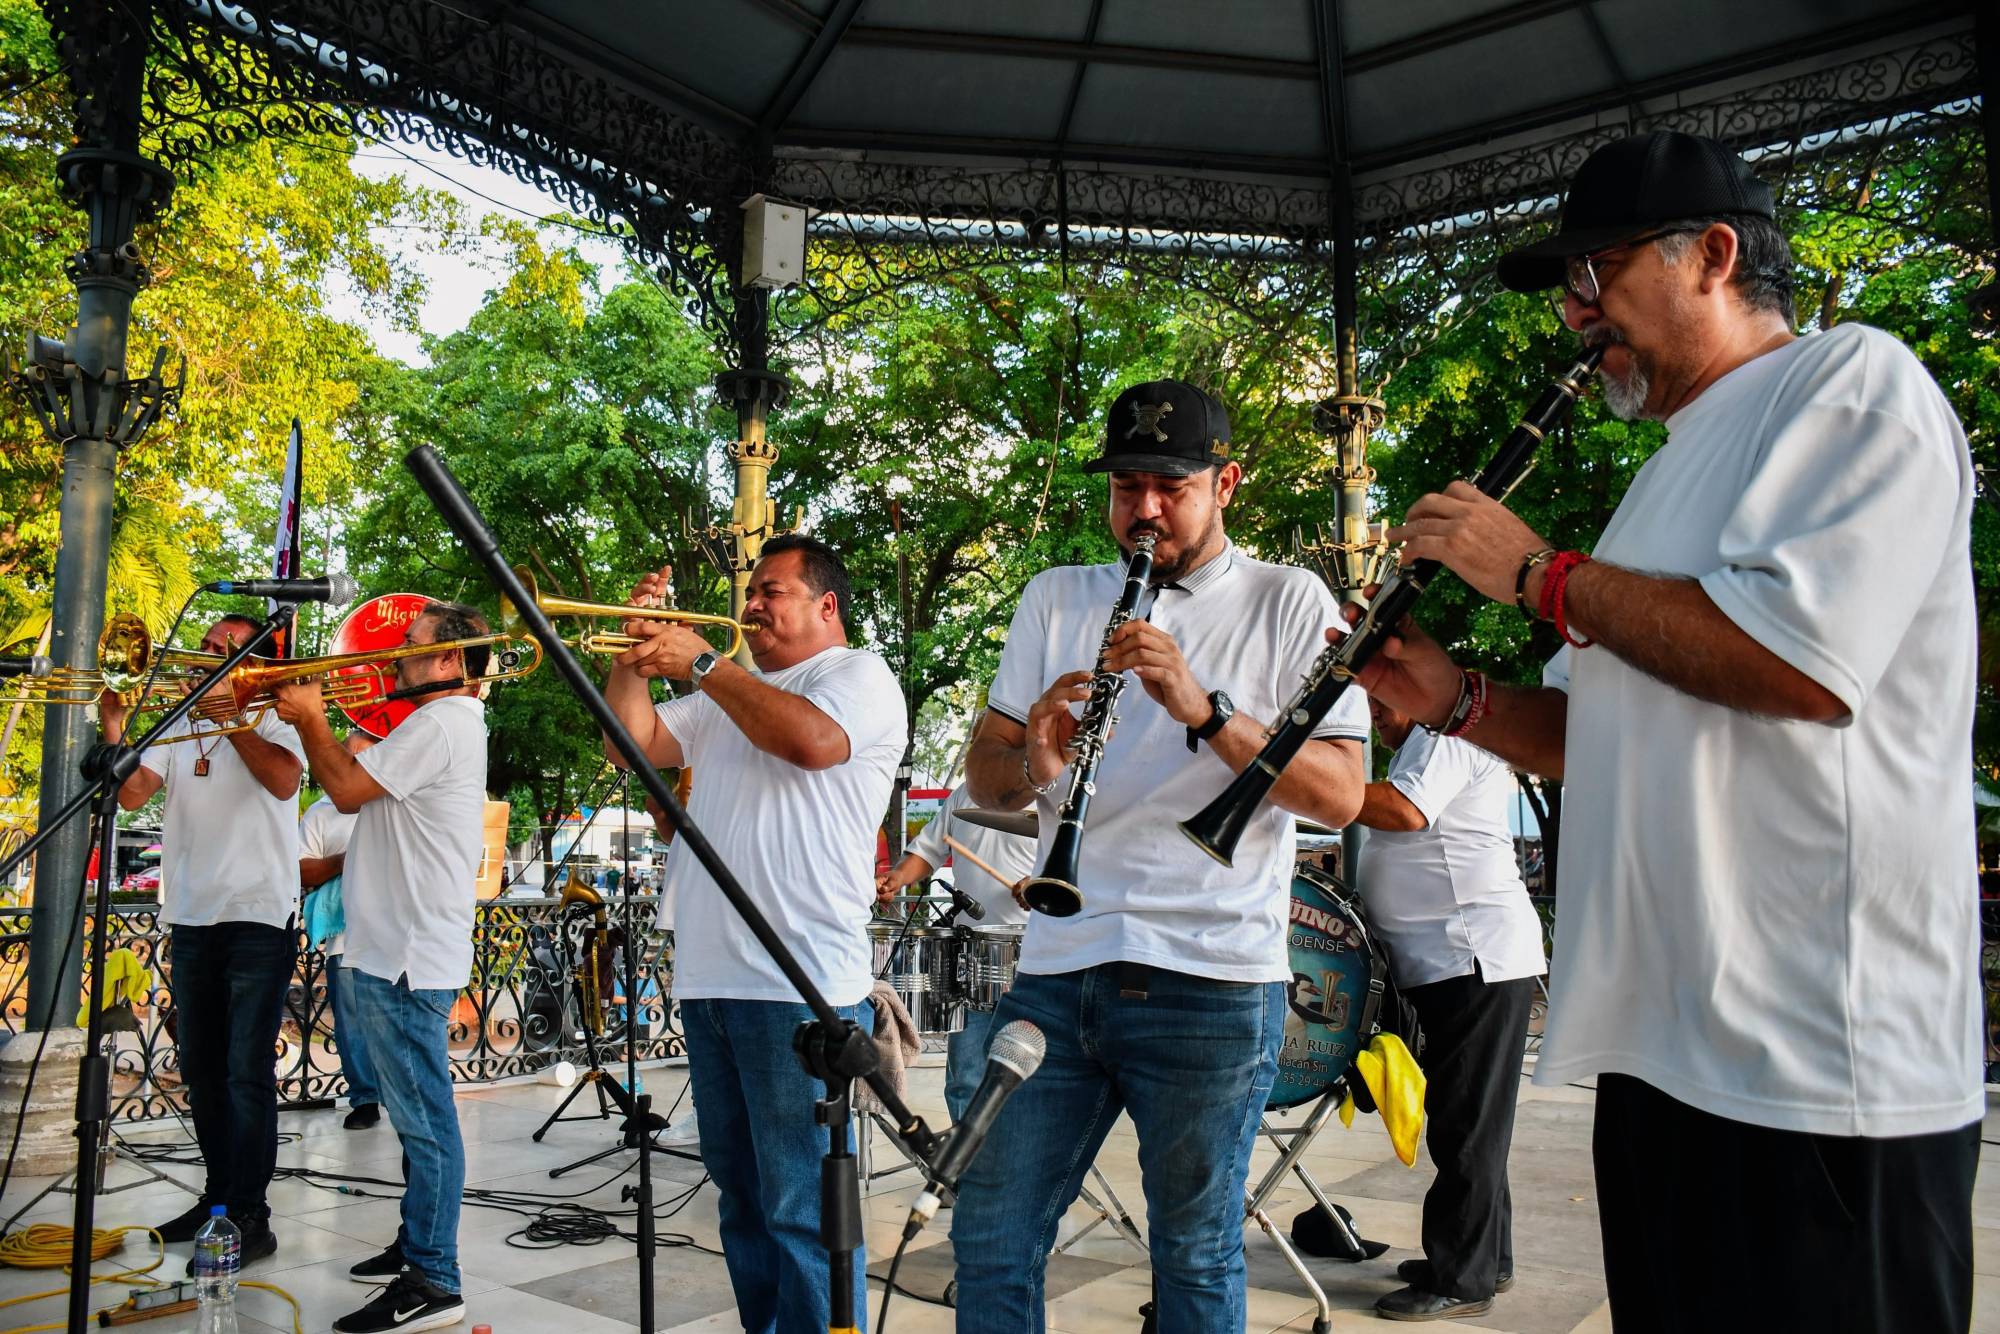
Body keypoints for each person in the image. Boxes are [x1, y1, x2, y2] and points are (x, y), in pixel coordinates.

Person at [1352, 131, 1980, 1331]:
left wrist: (1535, 573)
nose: (1574, 312)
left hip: (1821, 1073)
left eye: (1595, 273)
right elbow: (1594, 729)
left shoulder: (1850, 381)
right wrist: (1453, 698)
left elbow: (1800, 664)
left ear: (1712, 255)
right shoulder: (1660, 477)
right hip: (1664, 1057)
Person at [952, 381, 1369, 1329]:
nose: (1144, 509)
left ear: (1226, 483)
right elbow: (987, 775)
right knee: (992, 1233)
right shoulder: (1056, 596)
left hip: (1211, 976)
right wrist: (1034, 759)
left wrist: (1206, 711)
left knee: (1193, 1251)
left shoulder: (1289, 600)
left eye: (1169, 487)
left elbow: (1341, 794)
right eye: (1126, 486)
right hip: (1060, 965)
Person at [602, 534, 904, 1333]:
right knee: (741, 1198)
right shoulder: (728, 696)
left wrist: (703, 661)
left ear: (826, 604)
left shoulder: (857, 675)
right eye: (752, 591)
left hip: (796, 980)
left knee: (801, 1205)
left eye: (773, 590)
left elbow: (810, 742)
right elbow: (628, 744)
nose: (753, 605)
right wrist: (631, 659)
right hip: (713, 977)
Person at [273, 601, 491, 1333]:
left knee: (426, 1124)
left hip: (407, 957)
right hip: (391, 950)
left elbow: (343, 789)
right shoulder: (428, 723)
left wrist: (310, 718)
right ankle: (416, 1243)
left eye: (410, 644)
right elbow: (356, 781)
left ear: (449, 660)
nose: (394, 654)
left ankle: (435, 1279)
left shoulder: (445, 721)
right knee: (412, 1119)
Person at [100, 615, 305, 1268]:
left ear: (255, 665)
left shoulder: (278, 715)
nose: (202, 657)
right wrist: (113, 725)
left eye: (223, 651)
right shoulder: (178, 720)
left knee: (246, 1073)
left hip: (257, 916)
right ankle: (218, 1200)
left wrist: (233, 719)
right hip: (191, 915)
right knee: (203, 1071)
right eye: (205, 647)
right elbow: (133, 795)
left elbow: (285, 781)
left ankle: (251, 1214)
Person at [1352, 695, 1544, 1320]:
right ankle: (1487, 1256)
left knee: (1466, 1125)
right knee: (1472, 1120)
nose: (1374, 708)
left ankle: (1461, 1279)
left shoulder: (1445, 735)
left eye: (1383, 695)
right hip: (1446, 966)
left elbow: (1404, 811)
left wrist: (1315, 785)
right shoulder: (1419, 746)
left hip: (1472, 959)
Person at [875, 770, 1036, 1120]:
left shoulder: (1051, 797)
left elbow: (1077, 871)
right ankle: (969, 1155)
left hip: (1032, 952)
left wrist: (1039, 885)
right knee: (966, 1078)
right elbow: (928, 849)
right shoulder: (965, 793)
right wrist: (897, 877)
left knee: (1032, 1080)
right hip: (971, 952)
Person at [300, 728, 383, 1131]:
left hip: (395, 933)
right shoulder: (320, 812)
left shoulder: (390, 803)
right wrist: (345, 861)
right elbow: (301, 869)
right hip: (346, 941)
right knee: (351, 1023)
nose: (358, 765)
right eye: (352, 758)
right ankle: (365, 1099)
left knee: (398, 1018)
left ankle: (403, 1095)